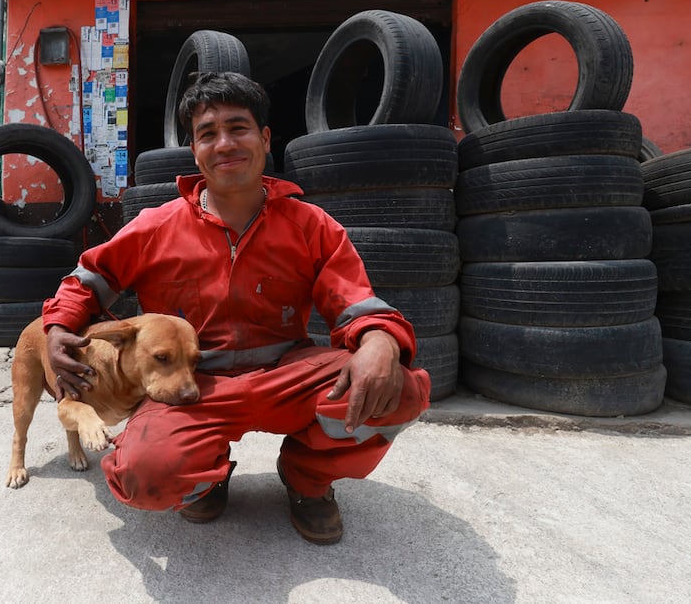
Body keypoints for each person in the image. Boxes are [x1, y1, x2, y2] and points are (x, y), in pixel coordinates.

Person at [43, 71, 431, 545]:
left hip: (286, 373)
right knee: (145, 474)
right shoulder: (155, 227)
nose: (224, 143)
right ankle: (204, 474)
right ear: (195, 151)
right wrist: (59, 326)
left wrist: (379, 340)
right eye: (208, 133)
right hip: (194, 386)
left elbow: (355, 300)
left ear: (265, 139)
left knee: (400, 388)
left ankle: (308, 480)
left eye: (238, 127)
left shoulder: (311, 226)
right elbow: (88, 280)